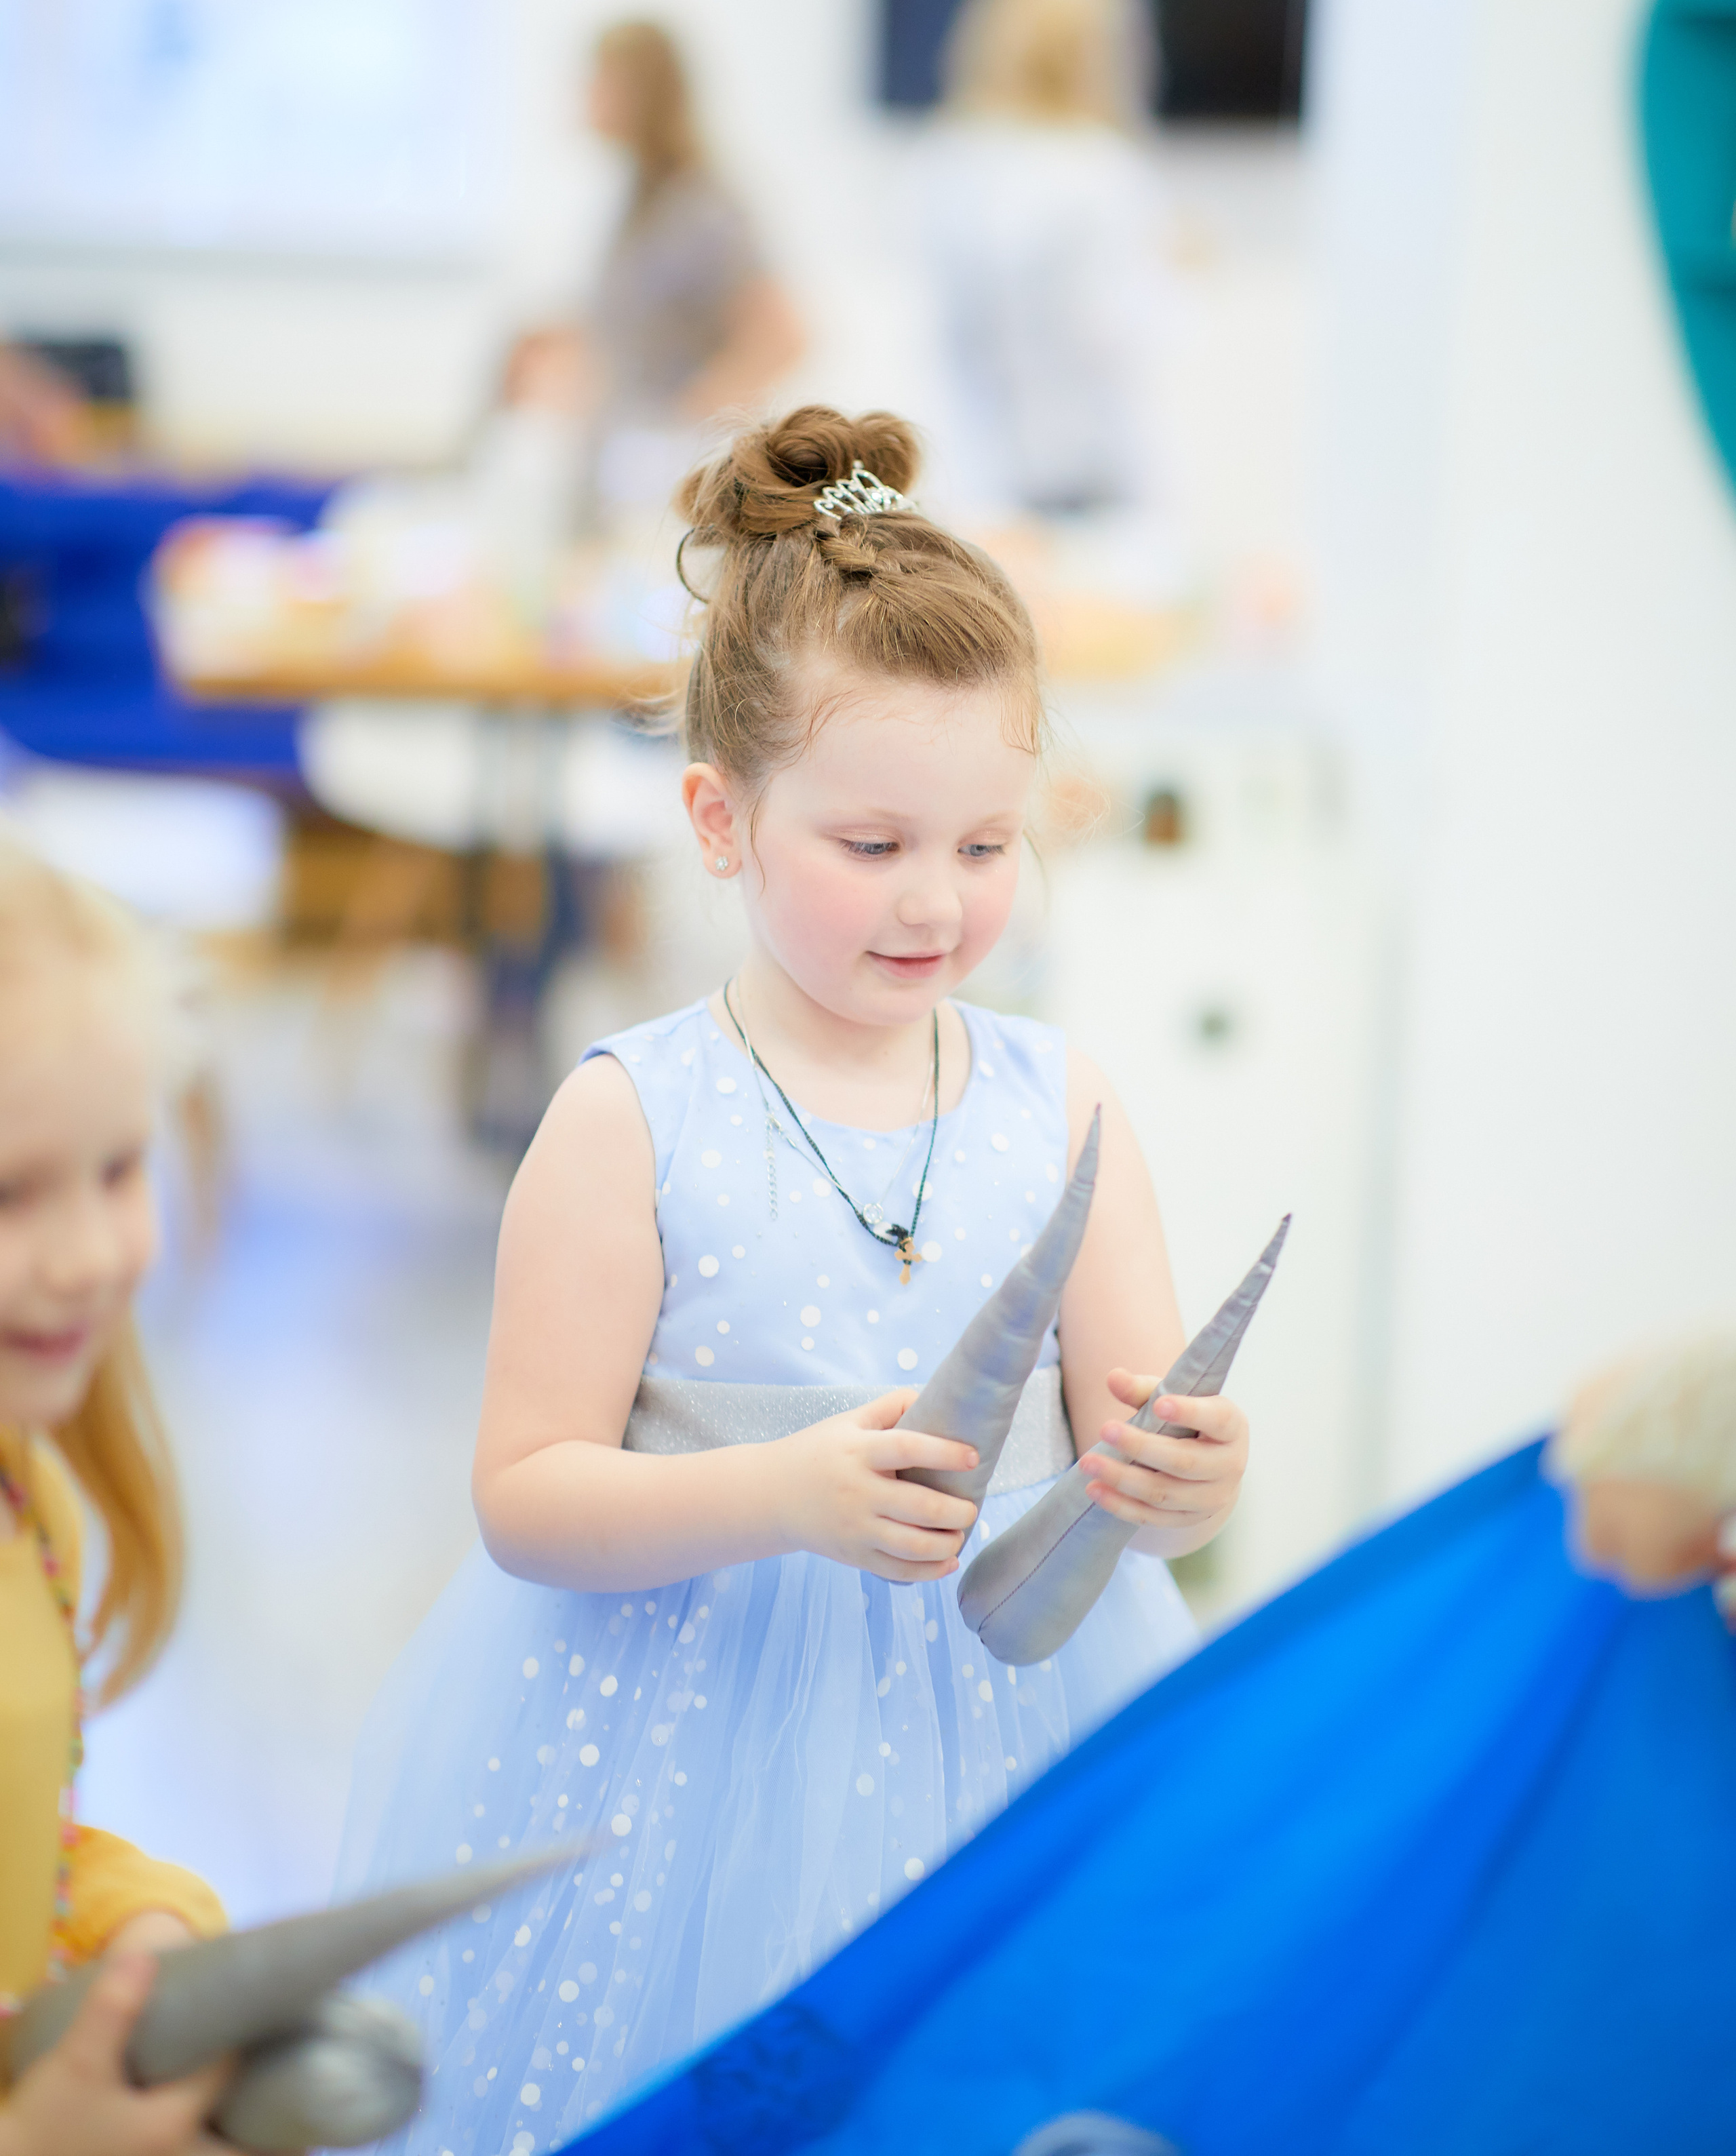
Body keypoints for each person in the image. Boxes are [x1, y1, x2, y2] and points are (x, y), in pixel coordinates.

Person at [336, 407, 1248, 2149]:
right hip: (687, 1744)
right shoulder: (630, 1120)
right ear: (720, 817)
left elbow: (1141, 1473)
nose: (934, 902)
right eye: (872, 844)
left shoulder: (1060, 1101)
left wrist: (1186, 1475)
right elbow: (525, 1496)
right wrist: (783, 1490)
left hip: (1011, 1736)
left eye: (985, 847)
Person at [0, 835, 268, 2153]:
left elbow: (22, 1854)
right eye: (10, 1194)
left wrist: (142, 1931)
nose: (89, 1256)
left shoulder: (27, 1483)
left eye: (119, 1170)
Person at [911, 0, 1172, 524]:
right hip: (1095, 480)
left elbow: (937, 331)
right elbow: (1117, 334)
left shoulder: (941, 164)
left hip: (972, 473)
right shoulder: (1101, 171)